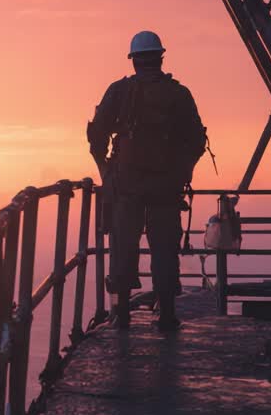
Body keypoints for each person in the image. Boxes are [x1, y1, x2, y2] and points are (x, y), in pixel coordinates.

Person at [87, 31, 206, 332]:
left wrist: (106, 171)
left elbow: (97, 135)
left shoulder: (119, 91)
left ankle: (121, 314)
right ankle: (166, 314)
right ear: (160, 57)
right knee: (165, 248)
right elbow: (196, 140)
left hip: (126, 185)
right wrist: (182, 172)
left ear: (134, 60)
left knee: (123, 245)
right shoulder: (179, 94)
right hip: (166, 186)